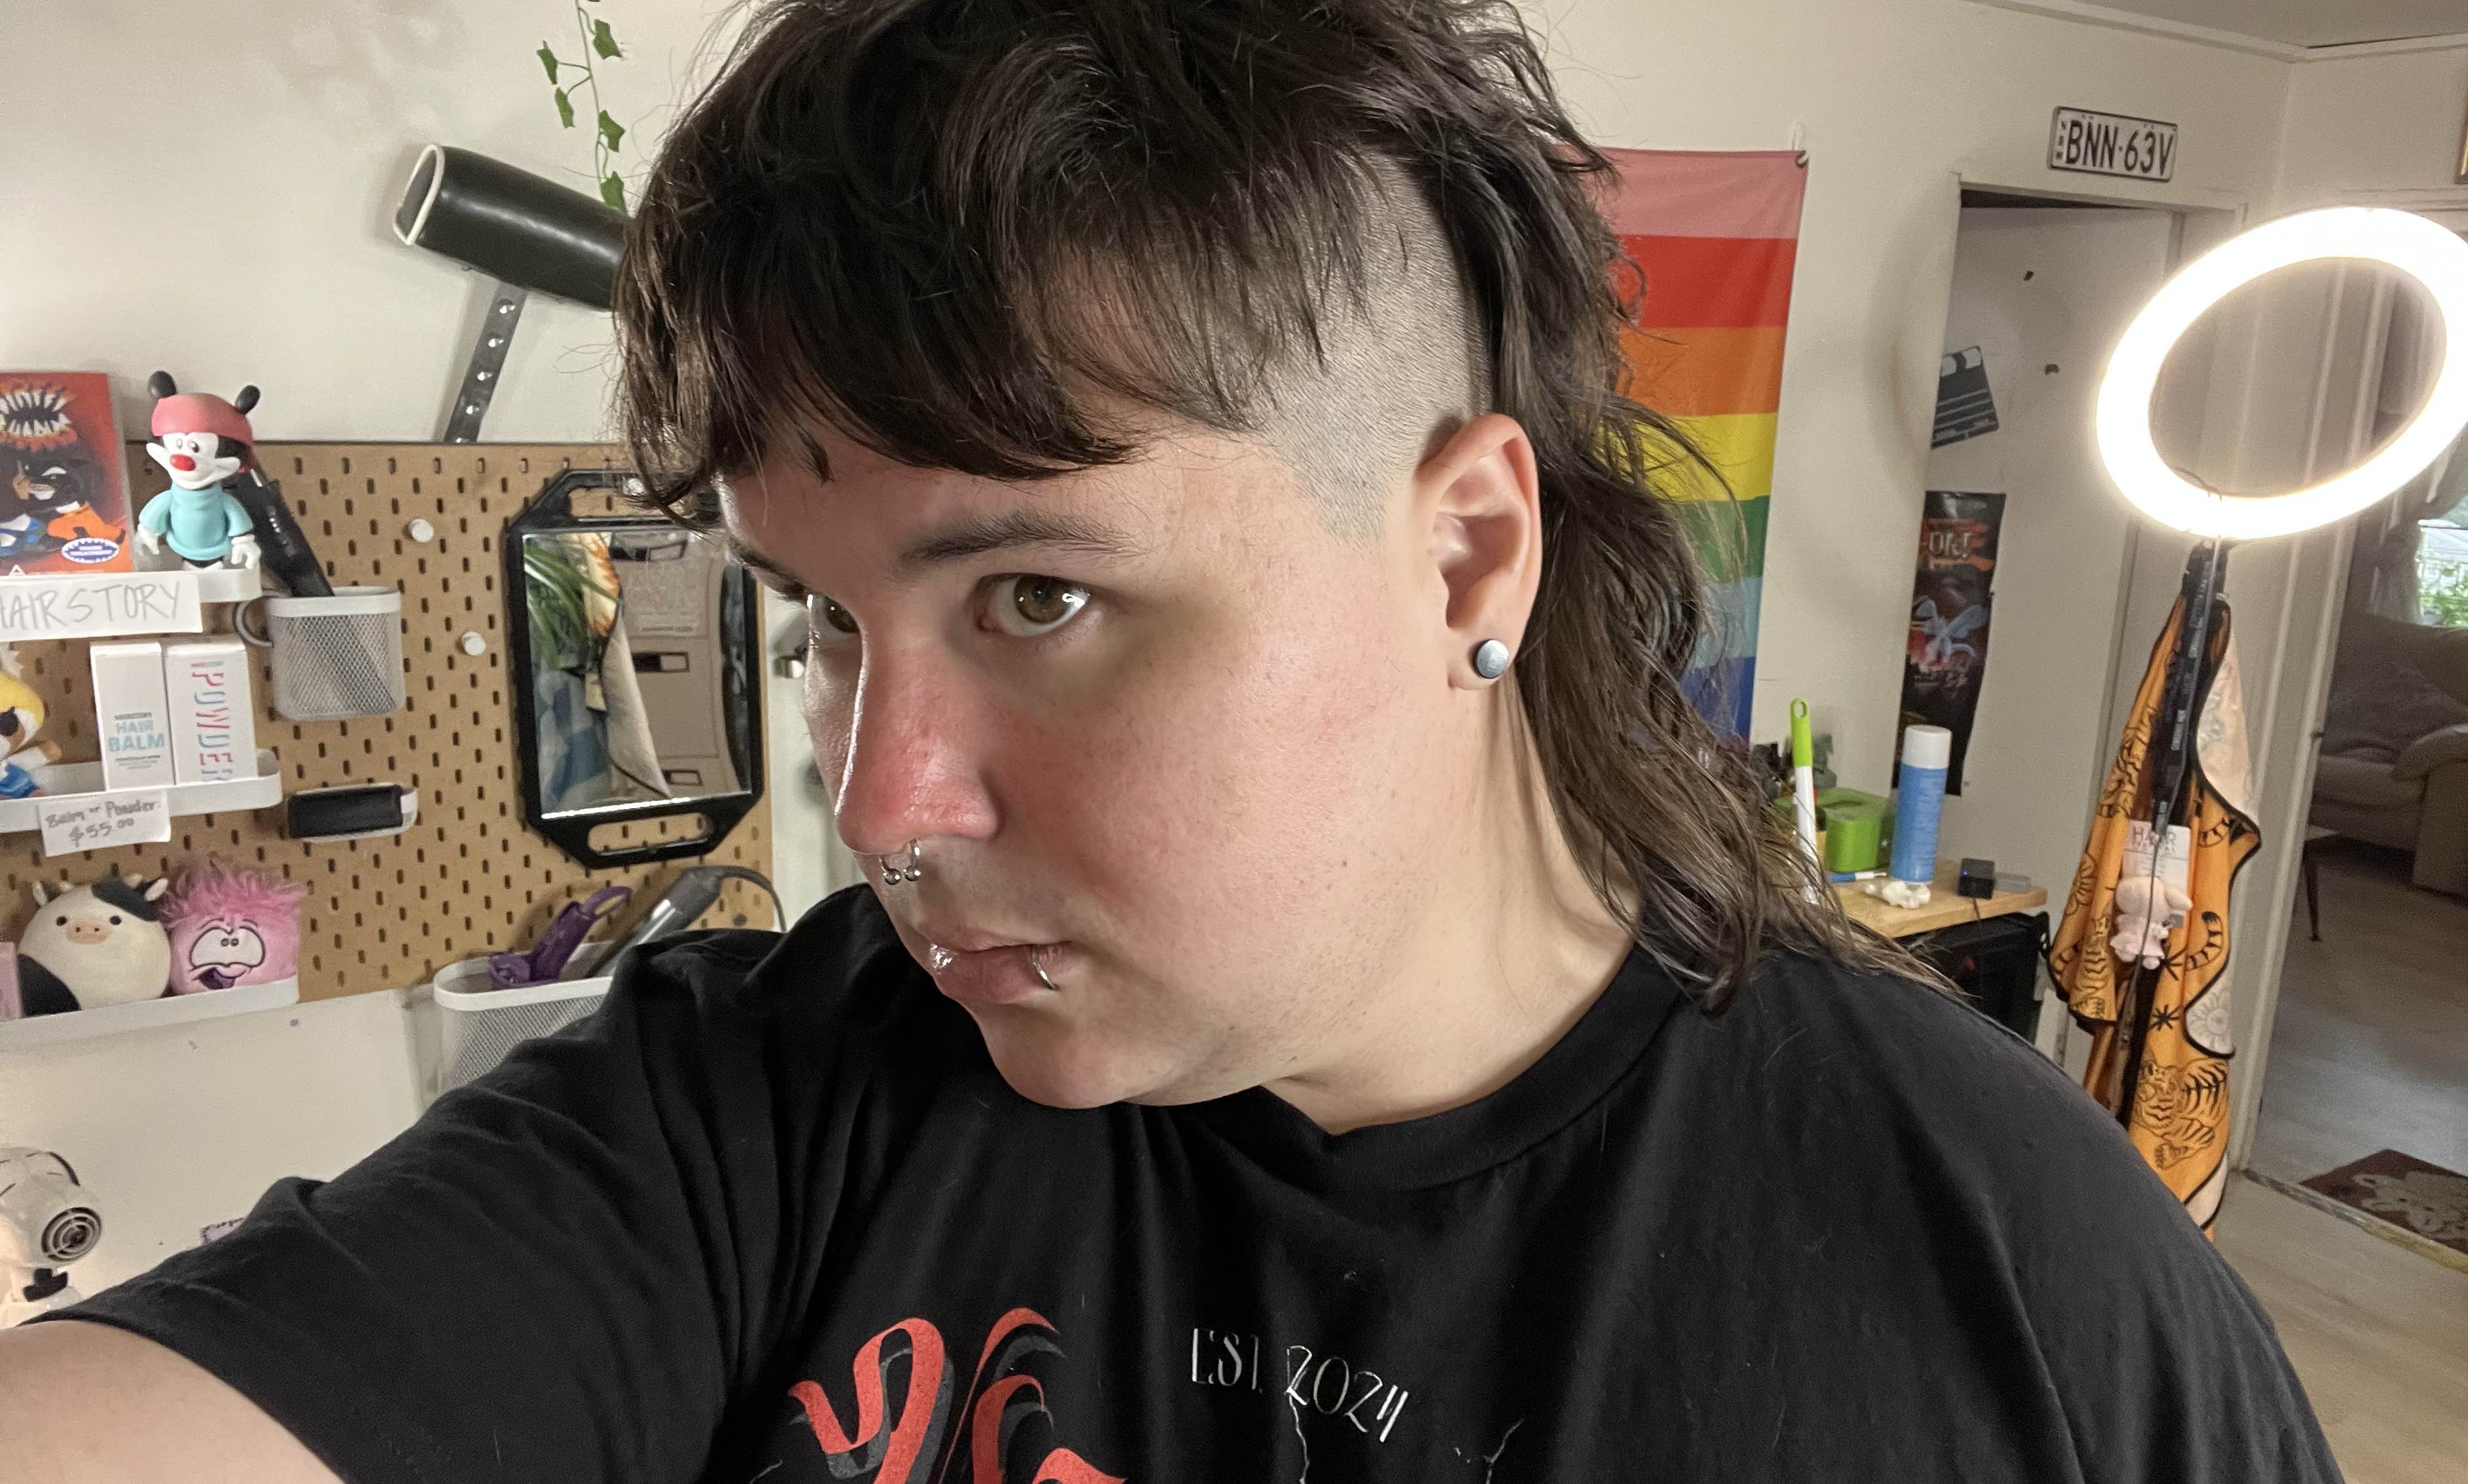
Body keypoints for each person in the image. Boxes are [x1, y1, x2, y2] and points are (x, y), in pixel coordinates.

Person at [0, 3, 2342, 1478]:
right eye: (824, 623)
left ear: (1465, 558)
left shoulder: (2029, 1306)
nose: (881, 803)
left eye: (1040, 598)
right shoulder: (764, 1110)